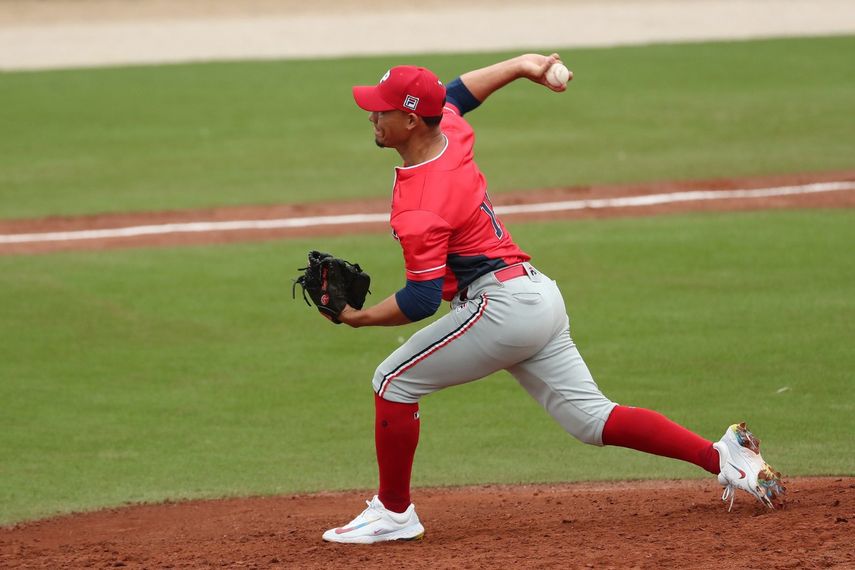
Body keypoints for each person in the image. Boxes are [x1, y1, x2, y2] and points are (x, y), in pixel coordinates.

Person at [321, 53, 785, 544]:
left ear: (411, 119)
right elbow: (456, 92)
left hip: (498, 309)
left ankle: (394, 513)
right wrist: (522, 65)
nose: (371, 114)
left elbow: (420, 300)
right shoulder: (448, 132)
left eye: (381, 109)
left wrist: (358, 317)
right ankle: (723, 456)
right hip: (537, 295)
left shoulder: (421, 205)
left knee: (392, 381)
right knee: (592, 419)